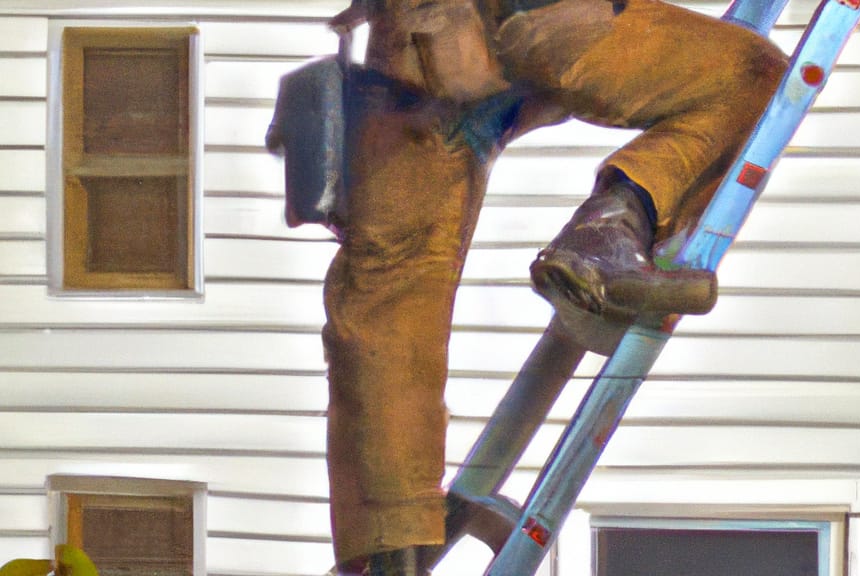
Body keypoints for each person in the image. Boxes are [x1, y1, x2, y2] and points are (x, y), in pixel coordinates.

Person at [270, 0, 787, 573]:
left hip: (413, 54)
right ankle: (609, 228)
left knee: (387, 298)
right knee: (751, 76)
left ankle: (392, 556)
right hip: (522, 21)